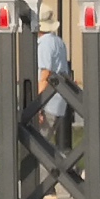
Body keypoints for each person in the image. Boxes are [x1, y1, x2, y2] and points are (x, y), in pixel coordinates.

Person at [35, 11, 73, 150]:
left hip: (47, 102)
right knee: (45, 144)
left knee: (37, 146)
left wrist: (37, 106)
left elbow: (45, 75)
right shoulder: (58, 42)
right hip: (59, 102)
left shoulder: (44, 44)